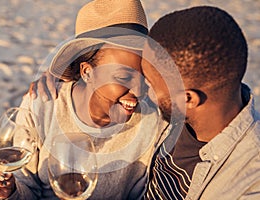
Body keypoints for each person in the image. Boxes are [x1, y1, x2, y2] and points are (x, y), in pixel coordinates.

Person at [30, 5, 260, 200]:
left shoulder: (248, 182)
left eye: (149, 82)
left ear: (187, 98)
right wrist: (71, 77)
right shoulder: (182, 116)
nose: (143, 94)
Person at [0, 0, 163, 199]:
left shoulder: (152, 123)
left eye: (145, 75)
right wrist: (7, 191)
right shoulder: (43, 104)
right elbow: (25, 185)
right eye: (123, 77)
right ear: (87, 72)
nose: (139, 89)